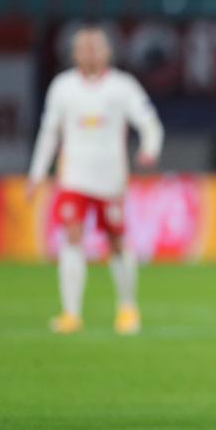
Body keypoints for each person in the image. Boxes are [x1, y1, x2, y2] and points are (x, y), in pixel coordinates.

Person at [27, 26, 163, 336]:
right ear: (74, 54)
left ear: (107, 52)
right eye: (84, 48)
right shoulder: (62, 87)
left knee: (116, 242)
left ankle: (127, 307)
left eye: (95, 48)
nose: (90, 53)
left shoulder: (122, 86)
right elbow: (49, 133)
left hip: (109, 179)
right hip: (73, 177)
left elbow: (149, 122)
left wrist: (149, 148)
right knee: (72, 237)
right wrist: (37, 174)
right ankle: (71, 313)